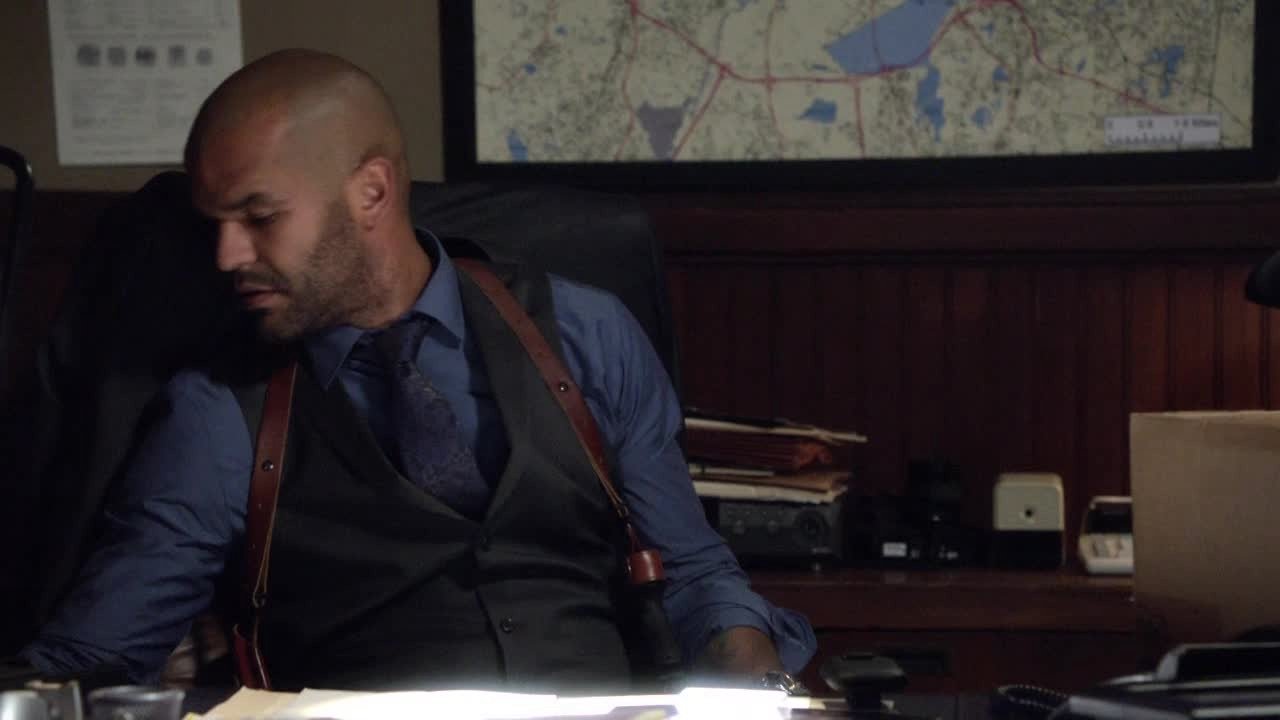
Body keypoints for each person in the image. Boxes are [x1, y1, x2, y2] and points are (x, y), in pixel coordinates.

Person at [21, 49, 815, 692]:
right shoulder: (221, 410)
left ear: (371, 191)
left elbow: (692, 572)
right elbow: (99, 652)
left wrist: (754, 681)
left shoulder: (585, 335)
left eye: (260, 217)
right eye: (216, 225)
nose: (228, 256)